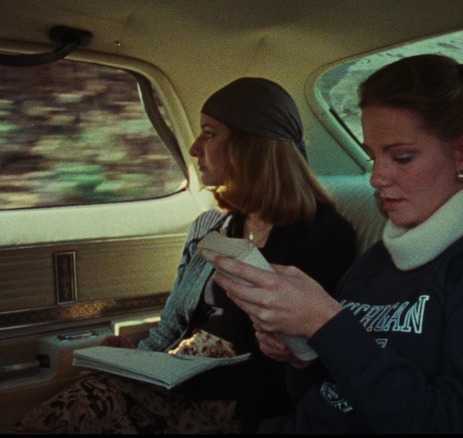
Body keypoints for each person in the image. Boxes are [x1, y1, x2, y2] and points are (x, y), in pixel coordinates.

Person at [210, 54, 463, 433]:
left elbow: (455, 423)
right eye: (373, 157)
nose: (377, 178)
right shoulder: (375, 262)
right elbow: (322, 398)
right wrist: (303, 355)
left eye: (402, 157)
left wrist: (328, 324)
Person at [11, 77, 358, 434]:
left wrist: (182, 380)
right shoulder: (213, 227)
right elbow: (173, 325)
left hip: (233, 402)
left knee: (85, 408)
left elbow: (300, 362)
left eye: (209, 134)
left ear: (250, 146)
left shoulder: (323, 236)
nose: (194, 148)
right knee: (76, 405)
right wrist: (133, 357)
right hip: (178, 378)